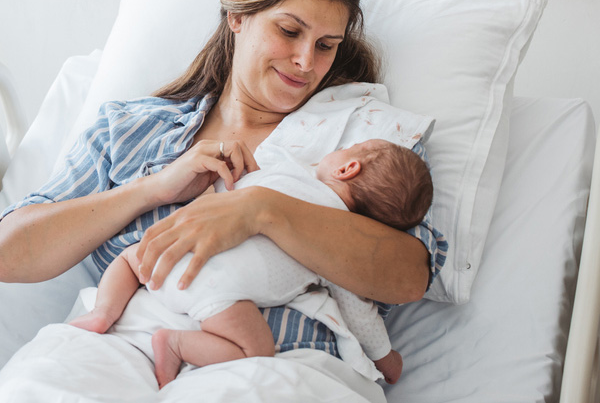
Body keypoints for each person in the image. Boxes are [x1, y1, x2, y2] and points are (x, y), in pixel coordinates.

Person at [0, 0, 447, 393]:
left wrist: (262, 211)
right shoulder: (134, 128)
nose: (306, 61)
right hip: (116, 343)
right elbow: (8, 256)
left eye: (326, 45)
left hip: (278, 364)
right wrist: (154, 189)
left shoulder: (368, 140)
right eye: (289, 31)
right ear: (238, 16)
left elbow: (408, 276)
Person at [69, 138, 433, 386]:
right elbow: (358, 313)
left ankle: (103, 311)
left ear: (347, 168)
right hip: (216, 295)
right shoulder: (339, 246)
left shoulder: (281, 174)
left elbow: (231, 189)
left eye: (347, 147)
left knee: (130, 258)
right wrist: (385, 360)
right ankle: (177, 344)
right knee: (255, 351)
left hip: (171, 258)